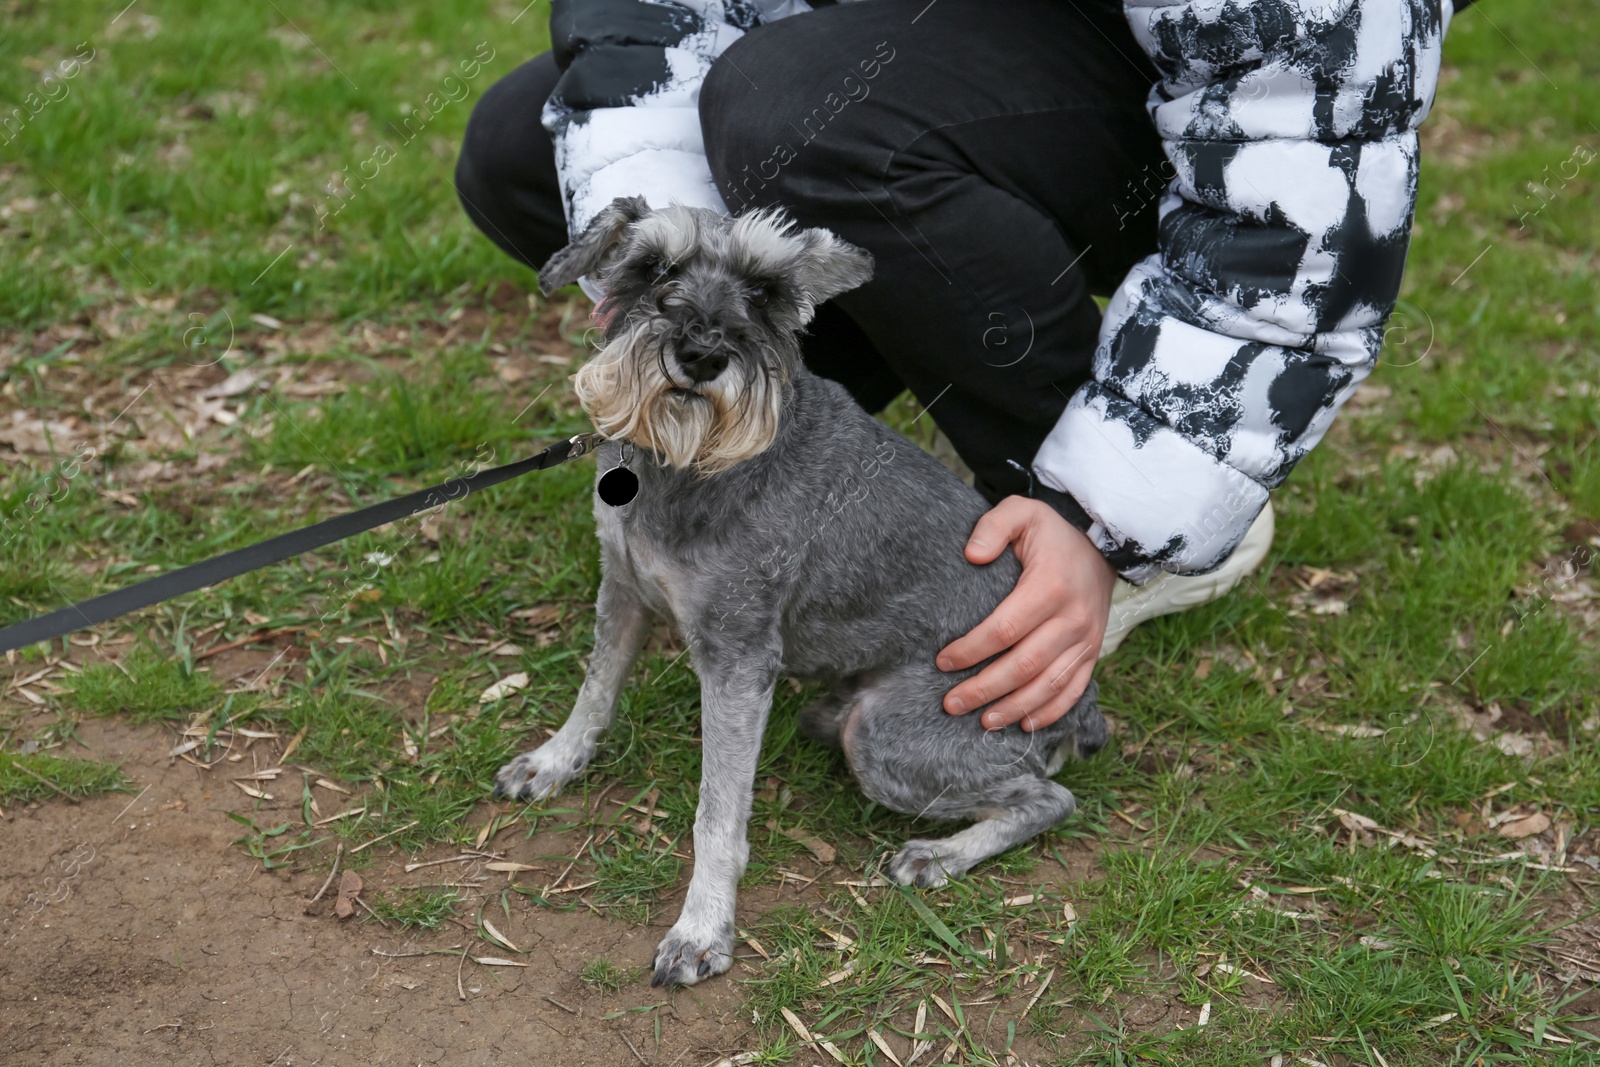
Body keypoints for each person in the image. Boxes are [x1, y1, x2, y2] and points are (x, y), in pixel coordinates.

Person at [455, 0, 1460, 733]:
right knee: (521, 145)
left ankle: (1067, 503)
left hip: (1191, 77)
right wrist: (675, 265)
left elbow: (1303, 178)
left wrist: (1108, 506)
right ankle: (783, 413)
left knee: (798, 114)